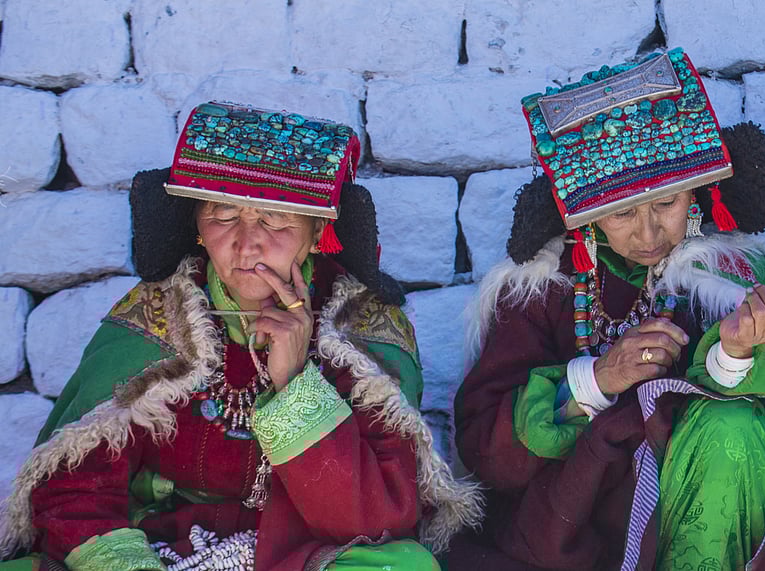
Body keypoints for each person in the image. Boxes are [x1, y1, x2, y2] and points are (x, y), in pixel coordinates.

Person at [0, 102, 481, 571]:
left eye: (274, 219)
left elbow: (379, 519)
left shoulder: (364, 329)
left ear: (318, 232)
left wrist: (294, 381)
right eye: (222, 216)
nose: (247, 243)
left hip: (300, 552)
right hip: (159, 543)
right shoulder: (153, 317)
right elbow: (74, 488)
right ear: (197, 229)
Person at [449, 49, 765, 570]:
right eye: (621, 214)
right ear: (586, 218)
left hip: (705, 510)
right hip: (575, 528)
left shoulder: (729, 276)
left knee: (736, 428)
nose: (647, 234)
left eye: (666, 203)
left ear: (695, 192)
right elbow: (487, 450)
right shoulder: (543, 290)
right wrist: (595, 380)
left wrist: (733, 354)